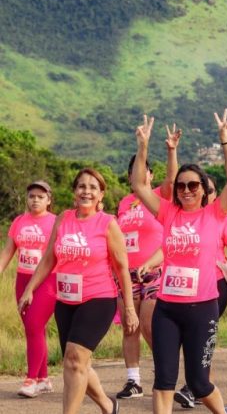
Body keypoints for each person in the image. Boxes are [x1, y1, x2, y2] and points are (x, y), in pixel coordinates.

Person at [131, 112, 227, 414]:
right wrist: (143, 146)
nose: (187, 190)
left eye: (194, 186)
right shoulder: (168, 213)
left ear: (204, 190)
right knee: (163, 380)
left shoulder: (215, 215)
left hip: (202, 309)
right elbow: (139, 185)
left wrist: (226, 142)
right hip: (167, 309)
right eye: (181, 186)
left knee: (199, 382)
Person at [18, 169, 138, 414]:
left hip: (99, 298)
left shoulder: (108, 223)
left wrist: (129, 308)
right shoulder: (63, 219)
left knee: (74, 359)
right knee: (76, 363)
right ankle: (107, 405)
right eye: (81, 186)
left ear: (101, 194)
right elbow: (49, 259)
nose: (86, 191)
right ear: (74, 192)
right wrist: (30, 288)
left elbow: (122, 268)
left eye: (93, 187)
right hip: (66, 300)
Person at [174, 177, 227, 409]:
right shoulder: (181, 217)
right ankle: (201, 384)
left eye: (209, 189)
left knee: (200, 339)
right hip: (183, 290)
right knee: (189, 340)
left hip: (215, 286)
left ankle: (194, 387)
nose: (208, 193)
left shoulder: (223, 219)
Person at [115, 126, 179, 400]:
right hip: (126, 274)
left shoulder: (158, 196)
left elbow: (173, 180)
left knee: (150, 325)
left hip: (153, 270)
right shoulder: (123, 203)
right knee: (131, 327)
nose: (139, 174)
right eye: (134, 171)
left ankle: (165, 375)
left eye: (143, 170)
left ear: (149, 175)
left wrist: (170, 150)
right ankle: (133, 381)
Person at [0, 181, 57, 398]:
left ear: (49, 200)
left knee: (34, 325)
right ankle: (43, 379)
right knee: (33, 329)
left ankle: (31, 378)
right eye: (32, 196)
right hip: (22, 279)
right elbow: (8, 251)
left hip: (47, 280)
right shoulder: (19, 222)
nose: (35, 200)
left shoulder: (55, 222)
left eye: (40, 197)